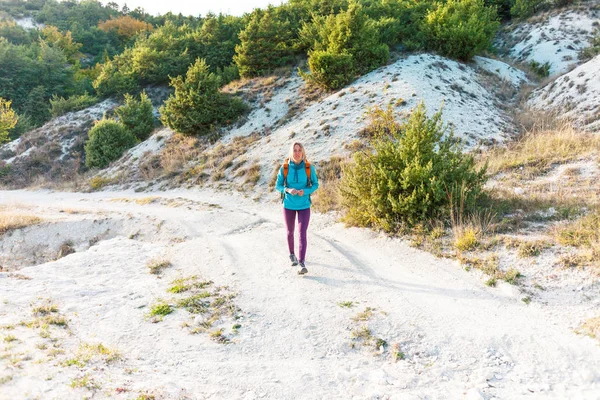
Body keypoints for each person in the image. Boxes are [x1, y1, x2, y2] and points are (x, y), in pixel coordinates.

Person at [275, 142, 319, 275]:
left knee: (302, 233)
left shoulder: (308, 167)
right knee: (290, 231)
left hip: (304, 205)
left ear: (303, 152)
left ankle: (301, 263)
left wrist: (304, 191)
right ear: (291, 152)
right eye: (295, 150)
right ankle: (291, 255)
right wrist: (287, 189)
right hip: (288, 204)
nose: (297, 153)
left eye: (300, 150)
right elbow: (278, 186)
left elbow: (315, 185)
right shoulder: (284, 168)